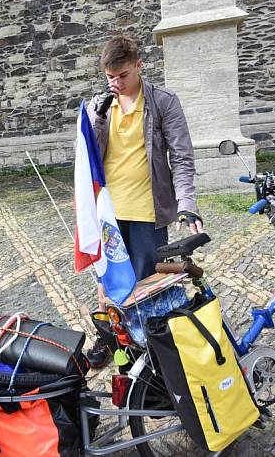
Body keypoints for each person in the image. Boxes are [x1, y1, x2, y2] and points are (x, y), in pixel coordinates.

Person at [84, 35, 202, 368]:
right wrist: (97, 117)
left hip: (147, 211)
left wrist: (186, 203)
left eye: (122, 76)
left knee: (146, 282)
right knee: (107, 279)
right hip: (106, 212)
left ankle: (150, 344)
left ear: (139, 65)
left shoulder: (163, 102)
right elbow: (87, 156)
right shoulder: (100, 105)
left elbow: (181, 156)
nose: (116, 83)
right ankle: (109, 338)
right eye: (110, 77)